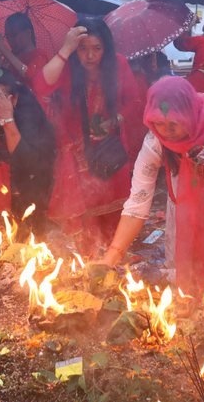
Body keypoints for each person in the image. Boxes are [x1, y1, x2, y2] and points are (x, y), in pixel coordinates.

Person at [104, 77, 204, 287]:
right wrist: (112, 256)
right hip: (182, 213)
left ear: (189, 114)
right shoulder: (155, 141)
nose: (165, 131)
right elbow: (138, 202)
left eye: (174, 123)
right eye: (159, 123)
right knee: (186, 278)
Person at [34, 18, 145, 253]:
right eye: (83, 49)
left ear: (106, 48)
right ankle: (85, 264)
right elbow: (42, 85)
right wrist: (66, 48)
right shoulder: (68, 68)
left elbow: (134, 101)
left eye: (97, 49)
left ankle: (112, 262)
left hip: (110, 152)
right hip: (75, 154)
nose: (90, 56)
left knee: (113, 214)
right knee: (83, 220)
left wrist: (115, 120)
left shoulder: (118, 64)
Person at [0, 68, 57, 221]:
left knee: (28, 214)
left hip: (35, 163)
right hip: (2, 157)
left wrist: (7, 119)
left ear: (14, 99)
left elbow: (28, 161)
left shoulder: (27, 112)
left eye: (0, 97)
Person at [0, 12, 51, 82]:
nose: (10, 40)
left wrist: (3, 48)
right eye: (7, 36)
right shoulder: (10, 56)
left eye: (13, 34)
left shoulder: (40, 55)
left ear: (28, 33)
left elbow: (29, 74)